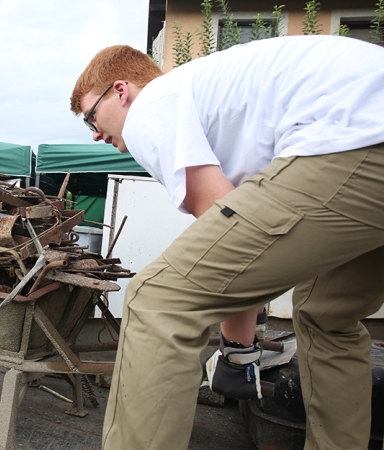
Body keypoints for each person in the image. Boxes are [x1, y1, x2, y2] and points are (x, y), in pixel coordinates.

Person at [70, 35, 384, 449]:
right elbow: (238, 238)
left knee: (158, 300)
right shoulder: (212, 96)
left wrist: (238, 349)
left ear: (122, 91)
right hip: (365, 128)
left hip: (356, 136)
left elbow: (223, 232)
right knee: (326, 315)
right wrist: (241, 347)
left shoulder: (150, 107)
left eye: (92, 118)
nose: (95, 134)